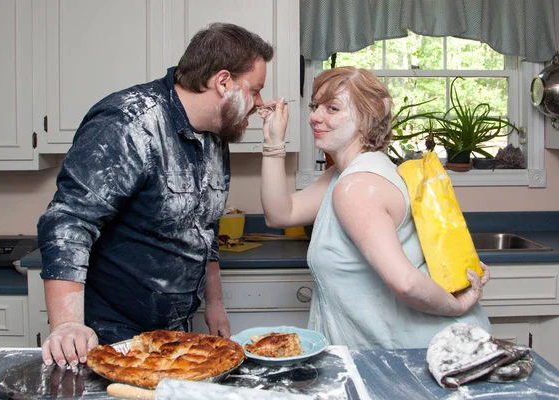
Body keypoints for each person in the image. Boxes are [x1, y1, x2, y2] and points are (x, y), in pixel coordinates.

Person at [37, 22, 274, 367]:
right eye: (255, 90)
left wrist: (215, 304)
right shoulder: (129, 121)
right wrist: (67, 323)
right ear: (223, 82)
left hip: (174, 331)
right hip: (109, 332)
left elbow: (204, 229)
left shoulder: (214, 134)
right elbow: (68, 221)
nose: (259, 103)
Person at [258, 67, 491, 350]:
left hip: (415, 355)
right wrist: (273, 142)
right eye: (315, 106)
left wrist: (457, 306)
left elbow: (406, 282)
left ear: (366, 118)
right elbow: (281, 214)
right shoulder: (342, 176)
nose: (315, 116)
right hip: (397, 351)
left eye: (332, 108)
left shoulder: (356, 187)